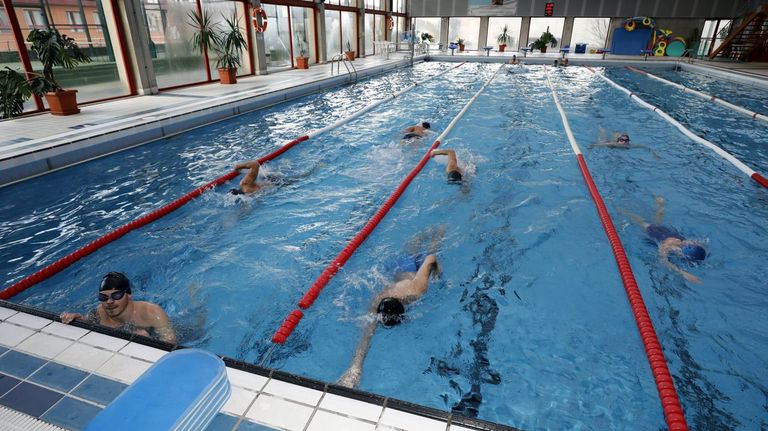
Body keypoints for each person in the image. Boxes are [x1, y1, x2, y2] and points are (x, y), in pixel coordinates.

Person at [338, 227, 445, 388]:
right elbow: (366, 336)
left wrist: (438, 272)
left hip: (413, 272)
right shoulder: (377, 302)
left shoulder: (417, 290)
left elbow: (431, 258)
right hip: (401, 268)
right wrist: (355, 369)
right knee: (412, 247)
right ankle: (426, 233)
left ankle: (439, 230)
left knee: (431, 249)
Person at [60, 272, 177, 343]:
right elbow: (91, 325)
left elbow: (171, 344)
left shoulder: (152, 313)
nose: (109, 302)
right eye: (103, 297)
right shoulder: (99, 313)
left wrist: (149, 340)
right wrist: (78, 319)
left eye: (116, 295)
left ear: (129, 295)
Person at [620, 196, 706, 284]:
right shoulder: (669, 246)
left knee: (656, 224)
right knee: (642, 222)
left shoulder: (685, 242)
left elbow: (699, 244)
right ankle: (623, 210)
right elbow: (663, 261)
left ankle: (660, 208)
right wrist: (683, 273)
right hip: (655, 233)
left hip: (669, 232)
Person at [588, 128, 660, 158]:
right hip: (609, 143)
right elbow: (597, 144)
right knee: (602, 139)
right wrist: (591, 148)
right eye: (622, 140)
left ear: (628, 141)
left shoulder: (629, 146)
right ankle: (601, 128)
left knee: (617, 134)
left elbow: (645, 147)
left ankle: (616, 133)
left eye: (626, 140)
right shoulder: (614, 144)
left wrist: (654, 154)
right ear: (618, 140)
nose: (624, 142)